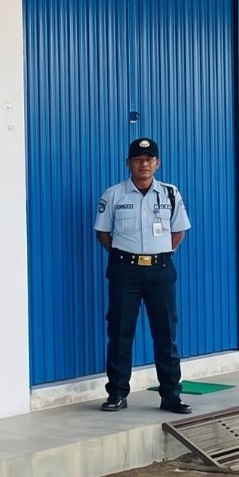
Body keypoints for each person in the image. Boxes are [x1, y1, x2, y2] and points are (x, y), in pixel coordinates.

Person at [95, 137, 190, 414]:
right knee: (120, 332)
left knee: (166, 334)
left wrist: (159, 254)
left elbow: (178, 231)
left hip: (161, 271)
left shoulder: (171, 193)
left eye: (149, 159)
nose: (144, 164)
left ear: (157, 163)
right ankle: (117, 394)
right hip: (126, 271)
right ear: (129, 163)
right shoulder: (114, 195)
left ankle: (171, 396)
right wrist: (128, 256)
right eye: (138, 159)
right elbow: (103, 232)